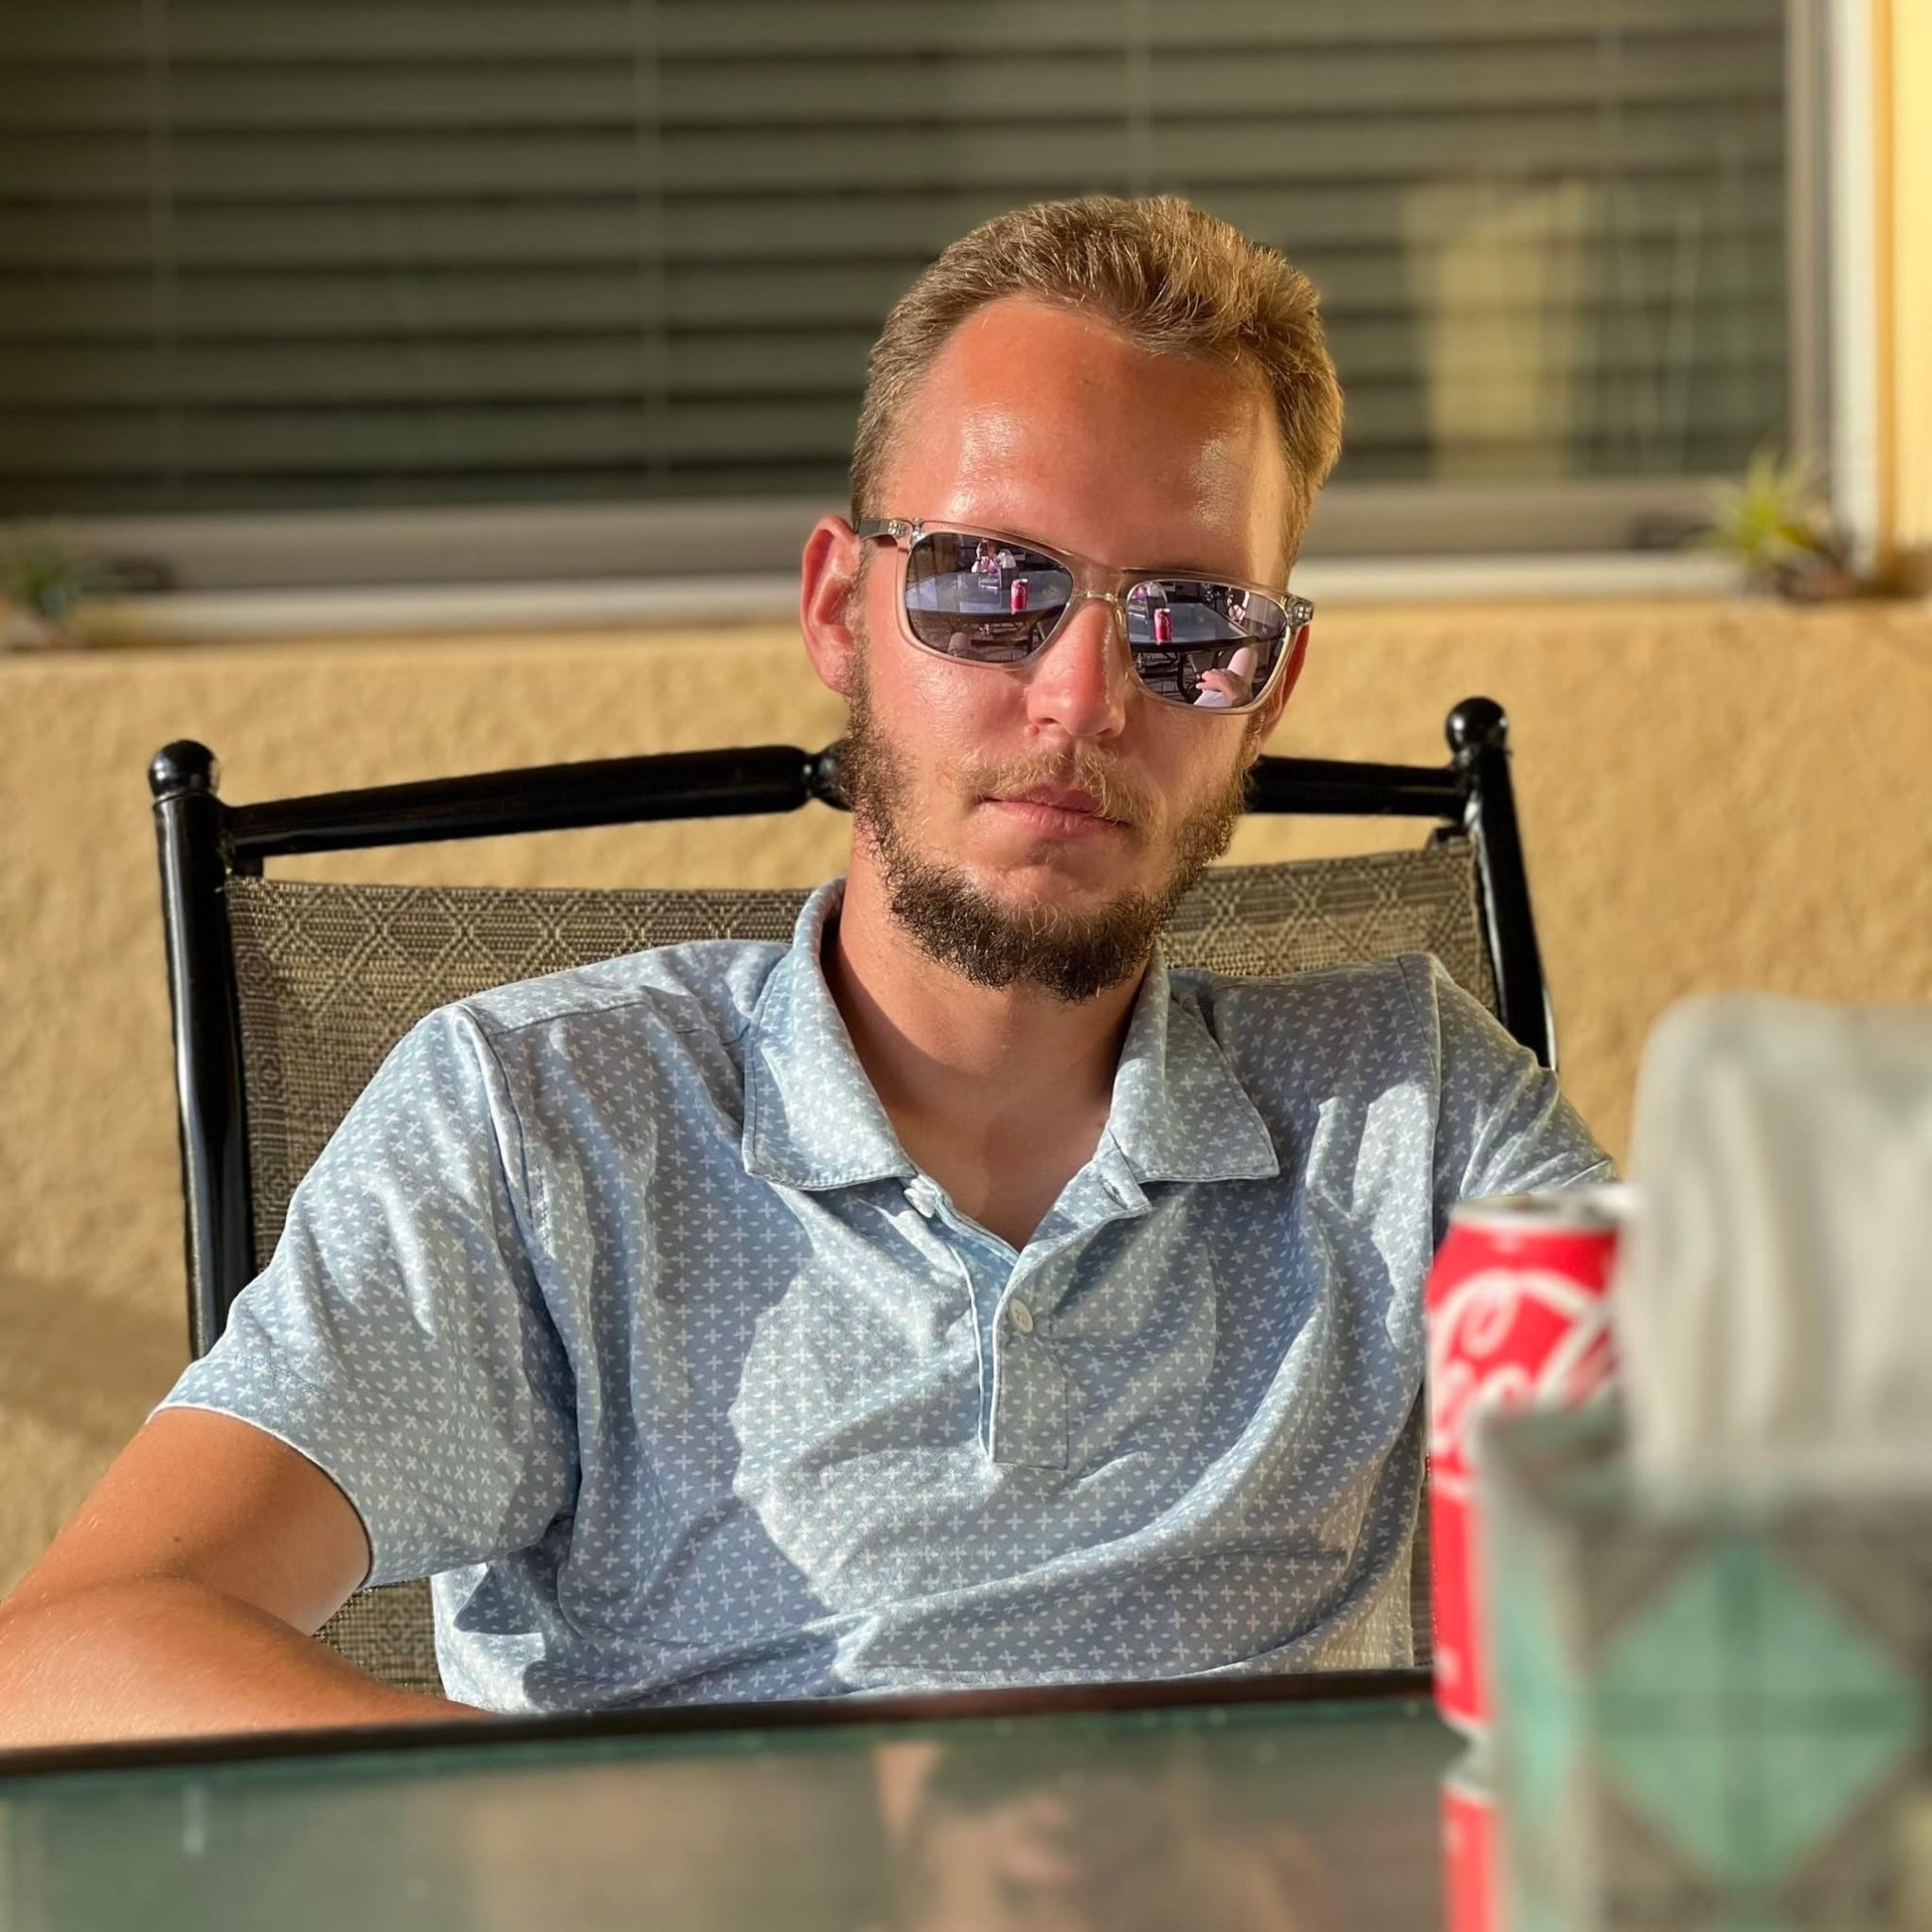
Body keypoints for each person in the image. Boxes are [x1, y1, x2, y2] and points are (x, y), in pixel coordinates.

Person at [0, 195, 1609, 1744]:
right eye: (992, 585)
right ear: (845, 610)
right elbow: (71, 1661)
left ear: (1264, 694)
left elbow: (1739, 1562)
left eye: (1194, 626)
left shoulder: (1415, 1125)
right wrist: (738, 1838)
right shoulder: (543, 1131)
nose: (1082, 695)